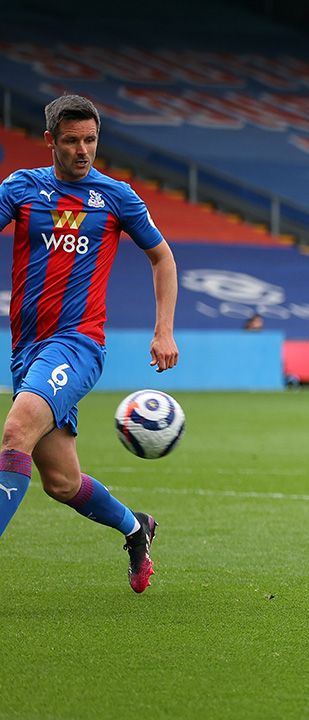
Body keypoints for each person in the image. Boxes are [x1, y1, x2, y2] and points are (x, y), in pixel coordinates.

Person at [0, 95, 178, 593]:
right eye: (73, 140)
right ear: (50, 141)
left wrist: (163, 330)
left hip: (77, 344)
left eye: (91, 140)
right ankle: (135, 527)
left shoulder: (116, 197)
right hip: (26, 350)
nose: (83, 150)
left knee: (15, 432)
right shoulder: (23, 188)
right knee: (61, 482)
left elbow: (162, 258)